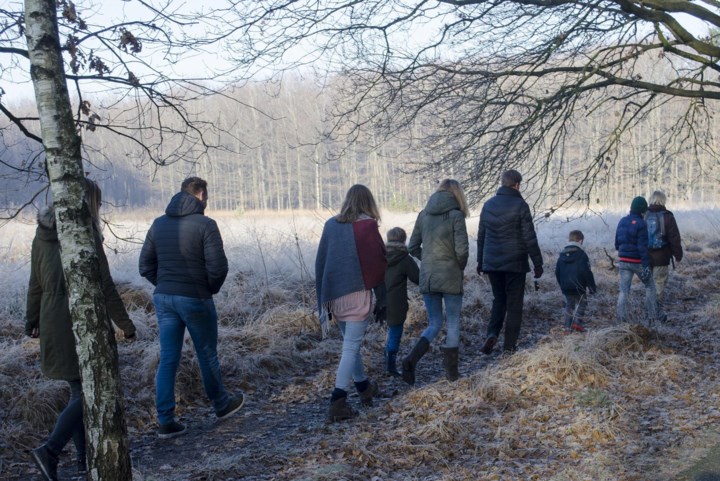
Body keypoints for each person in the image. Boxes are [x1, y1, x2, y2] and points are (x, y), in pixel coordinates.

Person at [26, 179, 137, 481]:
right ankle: (49, 451)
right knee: (86, 392)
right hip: (75, 320)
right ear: (89, 203)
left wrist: (31, 319)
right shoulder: (84, 233)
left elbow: (35, 282)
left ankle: (81, 460)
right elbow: (104, 283)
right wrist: (125, 325)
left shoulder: (42, 234)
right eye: (97, 203)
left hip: (51, 319)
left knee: (79, 388)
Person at [139, 177, 244, 439]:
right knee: (206, 354)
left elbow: (145, 265)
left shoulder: (158, 224)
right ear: (200, 195)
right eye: (205, 196)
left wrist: (164, 283)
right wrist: (205, 289)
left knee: (168, 358)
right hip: (195, 298)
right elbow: (218, 267)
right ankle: (221, 405)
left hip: (164, 298)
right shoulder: (206, 225)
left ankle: (165, 420)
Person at [315, 184, 387, 422]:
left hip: (334, 295)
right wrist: (383, 295)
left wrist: (323, 298)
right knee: (350, 347)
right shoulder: (367, 226)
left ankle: (364, 387)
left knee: (350, 344)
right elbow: (379, 262)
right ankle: (338, 400)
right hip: (357, 293)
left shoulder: (331, 225)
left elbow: (321, 261)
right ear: (368, 202)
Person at [404, 179, 469, 384]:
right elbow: (462, 250)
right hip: (450, 274)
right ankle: (451, 374)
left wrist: (429, 260)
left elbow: (412, 246)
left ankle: (411, 360)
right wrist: (457, 265)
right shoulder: (457, 216)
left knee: (434, 323)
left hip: (429, 276)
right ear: (457, 195)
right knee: (452, 322)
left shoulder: (423, 215)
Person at [477, 170, 543, 355]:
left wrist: (480, 262)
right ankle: (509, 346)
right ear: (517, 185)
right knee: (514, 305)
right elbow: (529, 237)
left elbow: (481, 235)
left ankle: (492, 333)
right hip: (515, 263)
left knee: (499, 300)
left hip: (492, 263)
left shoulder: (488, 205)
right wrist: (538, 263)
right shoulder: (521, 205)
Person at [615, 196, 660, 323]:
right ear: (642, 211)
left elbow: (617, 243)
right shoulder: (641, 223)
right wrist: (646, 266)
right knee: (650, 286)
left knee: (624, 291)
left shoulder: (622, 221)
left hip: (623, 262)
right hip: (637, 262)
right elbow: (642, 247)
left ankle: (620, 318)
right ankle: (652, 316)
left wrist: (623, 252)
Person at [383, 227, 419, 377]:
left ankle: (387, 362)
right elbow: (417, 279)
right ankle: (390, 367)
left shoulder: (379, 256)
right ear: (404, 240)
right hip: (397, 303)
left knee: (391, 332)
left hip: (380, 301)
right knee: (395, 334)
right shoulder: (404, 259)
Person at [555, 230, 597, 333]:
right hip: (579, 286)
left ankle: (567, 327)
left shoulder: (561, 254)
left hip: (566, 287)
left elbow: (557, 271)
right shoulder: (582, 254)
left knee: (569, 304)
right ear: (581, 240)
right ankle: (577, 323)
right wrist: (591, 287)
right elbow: (586, 271)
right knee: (582, 303)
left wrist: (562, 285)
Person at [645, 190, 683, 302]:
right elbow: (674, 238)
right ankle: (655, 310)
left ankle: (648, 309)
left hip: (645, 256)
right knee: (659, 282)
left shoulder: (644, 214)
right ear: (663, 200)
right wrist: (678, 255)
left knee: (649, 283)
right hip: (662, 257)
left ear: (651, 199)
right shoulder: (668, 216)